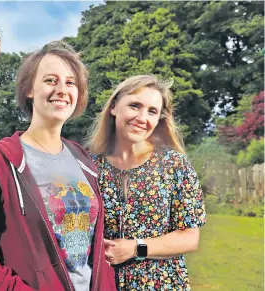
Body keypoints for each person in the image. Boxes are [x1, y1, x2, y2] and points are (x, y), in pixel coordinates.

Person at [0, 41, 116, 291]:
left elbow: (96, 249)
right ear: (29, 89)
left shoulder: (83, 159)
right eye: (51, 80)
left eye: (70, 82)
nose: (62, 89)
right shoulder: (0, 159)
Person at [87, 75, 206, 290]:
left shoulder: (174, 164)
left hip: (161, 283)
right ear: (113, 107)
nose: (142, 117)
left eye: (152, 111)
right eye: (135, 105)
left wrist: (136, 248)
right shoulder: (89, 165)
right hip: (102, 283)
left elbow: (189, 237)